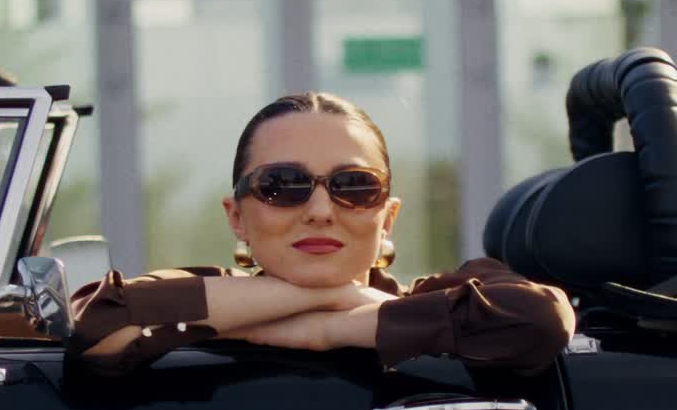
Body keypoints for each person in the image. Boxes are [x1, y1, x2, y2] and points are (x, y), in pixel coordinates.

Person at [68, 91, 575, 375]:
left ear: (388, 218)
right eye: (282, 185)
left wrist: (326, 330)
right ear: (237, 217)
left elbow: (541, 319)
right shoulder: (204, 290)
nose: (319, 210)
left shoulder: (448, 295)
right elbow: (96, 328)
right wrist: (324, 296)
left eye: (353, 185)